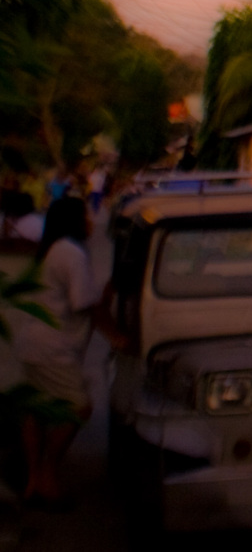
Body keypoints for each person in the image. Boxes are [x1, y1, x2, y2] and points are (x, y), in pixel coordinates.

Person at [12, 196, 120, 507]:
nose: (90, 222)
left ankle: (33, 479)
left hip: (32, 343)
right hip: (53, 348)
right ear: (73, 220)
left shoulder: (51, 250)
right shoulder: (72, 253)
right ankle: (47, 475)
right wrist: (116, 335)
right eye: (85, 216)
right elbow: (83, 305)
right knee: (79, 407)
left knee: (36, 409)